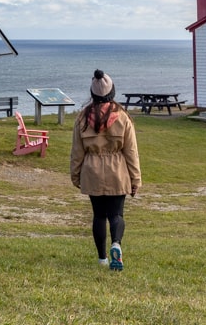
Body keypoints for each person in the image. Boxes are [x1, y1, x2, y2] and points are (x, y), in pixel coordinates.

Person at [70, 69, 141, 271]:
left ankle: (102, 259)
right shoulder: (123, 117)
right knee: (116, 215)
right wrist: (136, 179)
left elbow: (76, 151)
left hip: (91, 171)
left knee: (99, 215)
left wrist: (75, 175)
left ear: (92, 94)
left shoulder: (82, 118)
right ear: (112, 92)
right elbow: (131, 152)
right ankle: (116, 243)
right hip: (118, 171)